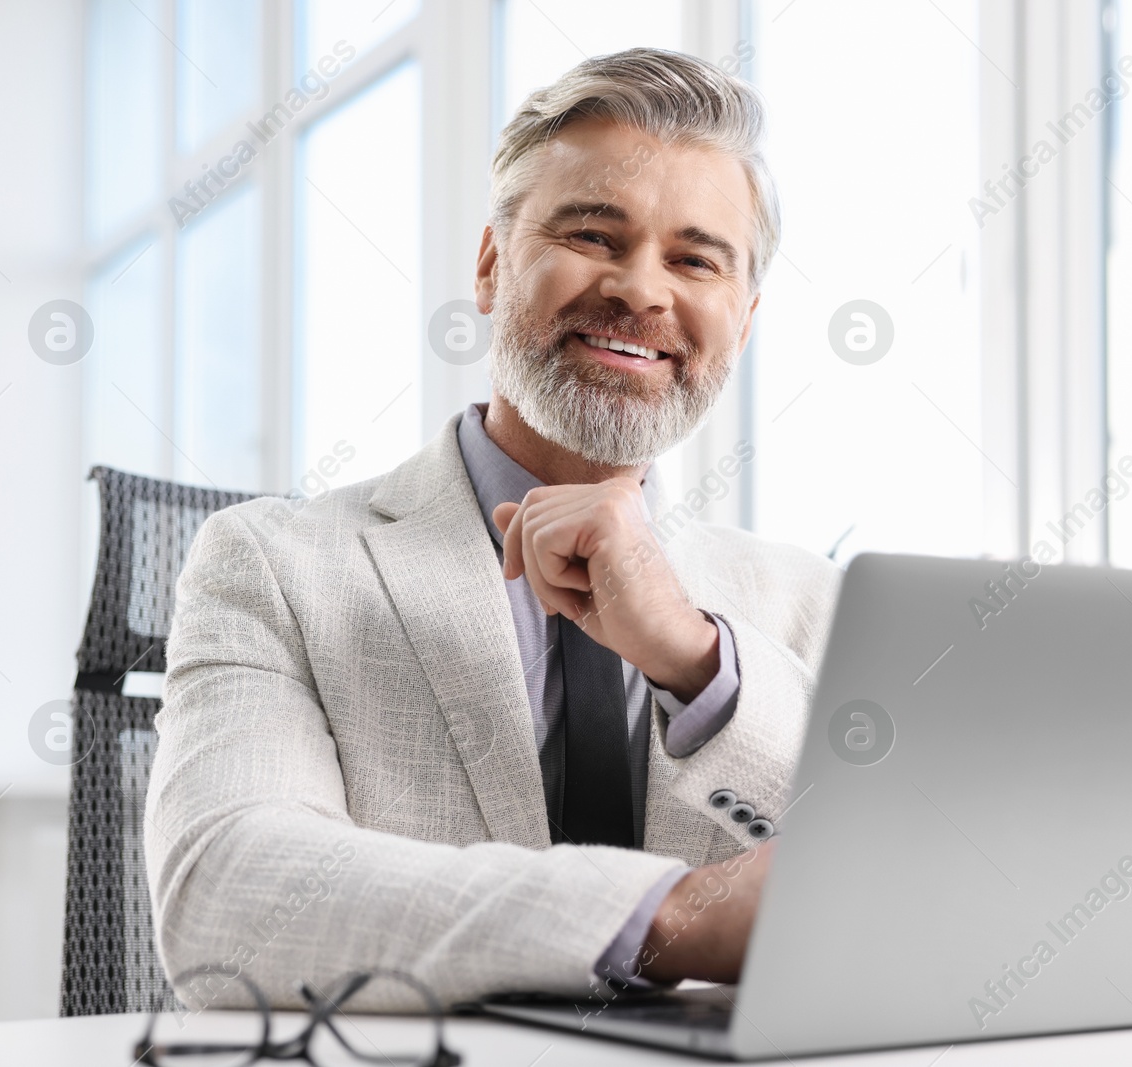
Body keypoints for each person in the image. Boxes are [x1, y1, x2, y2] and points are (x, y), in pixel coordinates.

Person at [145, 46, 839, 1010]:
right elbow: (225, 896)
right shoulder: (272, 565)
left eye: (693, 258)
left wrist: (694, 659)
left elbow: (918, 874)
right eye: (596, 234)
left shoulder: (806, 601)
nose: (643, 289)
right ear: (490, 265)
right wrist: (667, 916)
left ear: (745, 319)